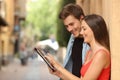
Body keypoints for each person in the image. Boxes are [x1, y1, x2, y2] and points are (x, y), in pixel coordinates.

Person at [46, 14, 111, 80]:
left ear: (94, 30)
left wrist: (59, 67)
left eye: (84, 29)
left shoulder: (101, 54)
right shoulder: (89, 52)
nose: (81, 33)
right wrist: (59, 73)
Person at [58, 3, 89, 78]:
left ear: (81, 18)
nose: (69, 29)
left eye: (71, 24)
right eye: (66, 26)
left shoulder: (90, 41)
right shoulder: (73, 38)